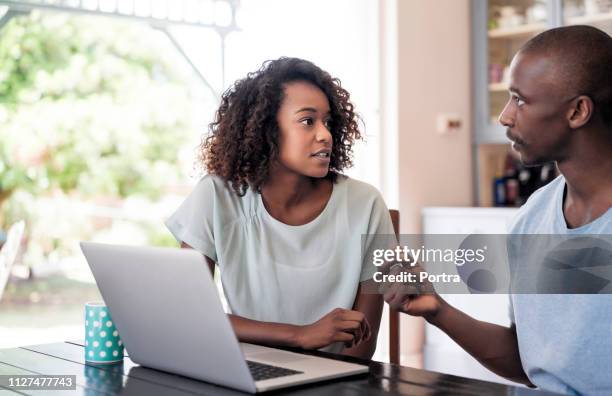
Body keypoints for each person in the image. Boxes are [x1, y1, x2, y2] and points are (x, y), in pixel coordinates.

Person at [384, 25, 612, 395]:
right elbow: (531, 362)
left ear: (578, 111)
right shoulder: (532, 218)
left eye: (520, 100)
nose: (505, 116)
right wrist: (437, 310)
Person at [165, 57, 394, 359]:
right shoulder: (217, 196)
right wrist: (300, 335)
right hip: (247, 371)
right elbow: (188, 313)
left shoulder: (366, 204)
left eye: (328, 122)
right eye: (307, 121)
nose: (325, 134)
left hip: (337, 380)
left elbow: (364, 343)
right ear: (266, 130)